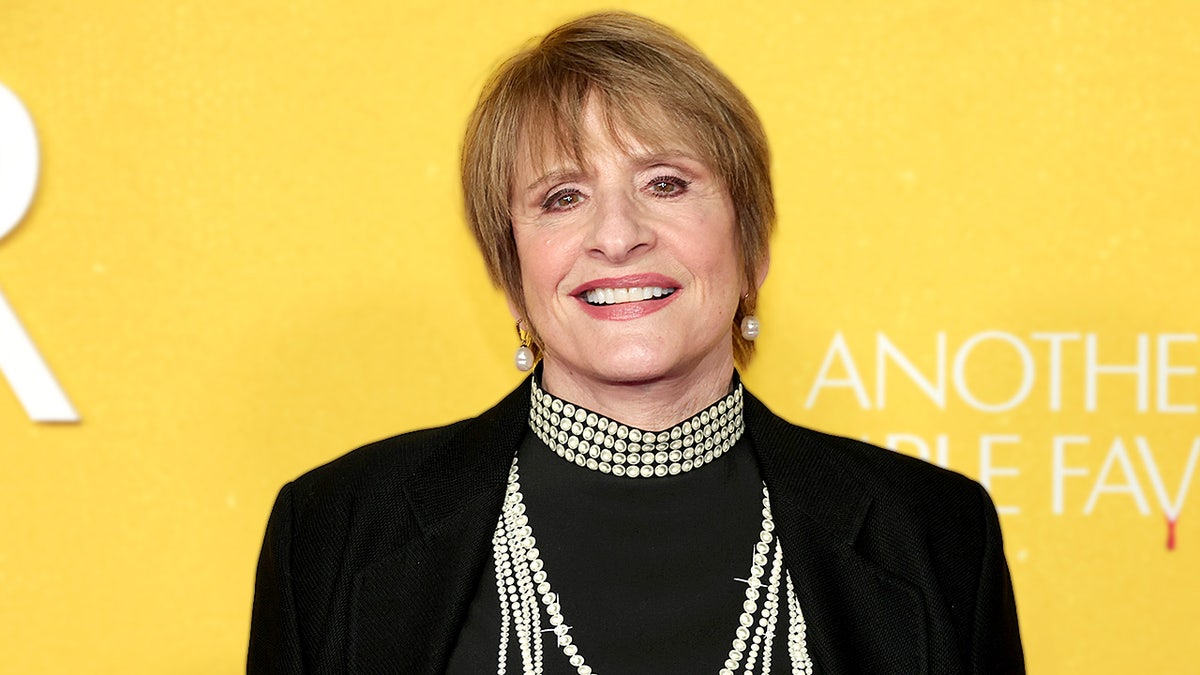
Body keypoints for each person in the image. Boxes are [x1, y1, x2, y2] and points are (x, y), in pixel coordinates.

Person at [248, 11, 1024, 675]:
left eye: (666, 183)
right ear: (511, 270)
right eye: (563, 197)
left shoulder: (934, 535)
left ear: (752, 246)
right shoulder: (334, 531)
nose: (617, 236)